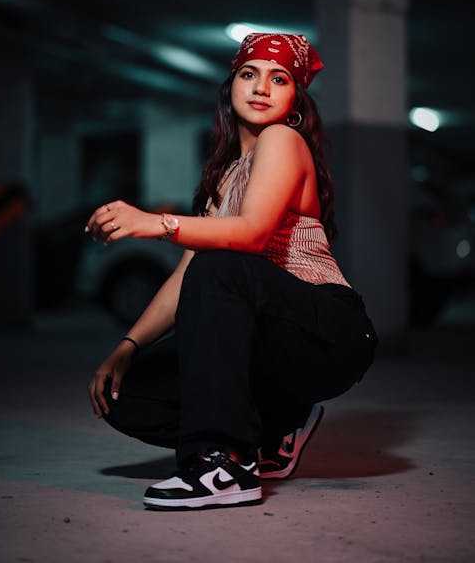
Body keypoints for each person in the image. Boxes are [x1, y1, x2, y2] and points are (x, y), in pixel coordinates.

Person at [86, 32, 378, 511]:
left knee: (221, 265)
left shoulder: (283, 141)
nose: (261, 87)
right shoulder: (225, 176)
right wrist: (128, 345)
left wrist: (154, 223)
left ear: (294, 99)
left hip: (329, 333)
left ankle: (222, 462)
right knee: (125, 391)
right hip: (265, 336)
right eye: (249, 74)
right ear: (230, 88)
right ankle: (280, 422)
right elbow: (186, 277)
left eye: (278, 79)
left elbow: (253, 236)